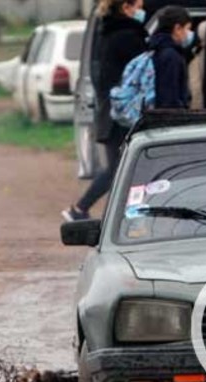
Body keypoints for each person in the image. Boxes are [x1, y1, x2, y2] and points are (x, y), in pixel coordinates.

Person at [62, 0, 148, 223]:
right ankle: (82, 209)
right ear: (126, 8)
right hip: (122, 116)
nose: (142, 11)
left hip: (110, 114)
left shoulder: (108, 33)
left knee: (118, 170)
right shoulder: (128, 37)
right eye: (138, 6)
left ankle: (88, 211)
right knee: (121, 170)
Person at [148, 6, 194, 110]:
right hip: (168, 120)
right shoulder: (171, 56)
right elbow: (169, 97)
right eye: (187, 29)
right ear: (177, 28)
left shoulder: (155, 48)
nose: (189, 34)